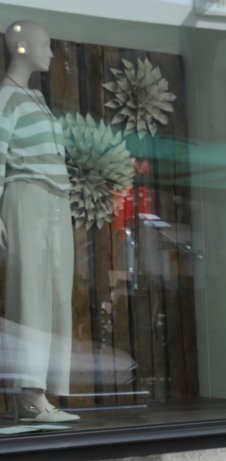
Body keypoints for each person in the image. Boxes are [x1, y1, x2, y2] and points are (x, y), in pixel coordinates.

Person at [0, 19, 77, 424]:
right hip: (26, 195)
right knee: (30, 292)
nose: (50, 52)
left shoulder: (35, 99)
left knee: (57, 297)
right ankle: (30, 394)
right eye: (45, 44)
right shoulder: (6, 98)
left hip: (56, 201)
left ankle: (43, 391)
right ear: (22, 47)